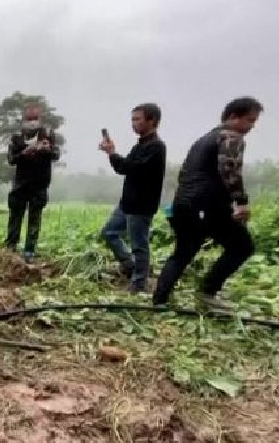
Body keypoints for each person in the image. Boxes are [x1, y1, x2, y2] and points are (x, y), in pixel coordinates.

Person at [153, 96, 263, 310]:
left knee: (183, 251)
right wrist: (241, 202)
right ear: (233, 117)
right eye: (250, 120)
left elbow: (184, 173)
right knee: (242, 247)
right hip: (208, 205)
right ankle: (207, 292)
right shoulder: (231, 136)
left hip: (183, 204)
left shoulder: (204, 139)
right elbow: (229, 170)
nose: (251, 127)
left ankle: (159, 300)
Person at [98, 103, 167, 294]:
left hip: (141, 206)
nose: (133, 124)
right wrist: (111, 153)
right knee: (109, 232)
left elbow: (132, 168)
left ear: (152, 121)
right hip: (127, 203)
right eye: (132, 120)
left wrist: (112, 153)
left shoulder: (156, 147)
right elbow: (124, 167)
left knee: (139, 245)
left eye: (137, 119)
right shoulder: (141, 144)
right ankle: (129, 265)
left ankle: (139, 283)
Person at [4, 104, 60, 263]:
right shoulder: (17, 137)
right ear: (24, 119)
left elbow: (56, 155)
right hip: (20, 184)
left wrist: (47, 150)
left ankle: (30, 250)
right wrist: (24, 153)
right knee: (15, 216)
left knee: (35, 218)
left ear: (40, 119)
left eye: (35, 119)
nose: (32, 122)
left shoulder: (48, 134)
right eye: (29, 119)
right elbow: (11, 159)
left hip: (40, 183)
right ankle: (11, 246)